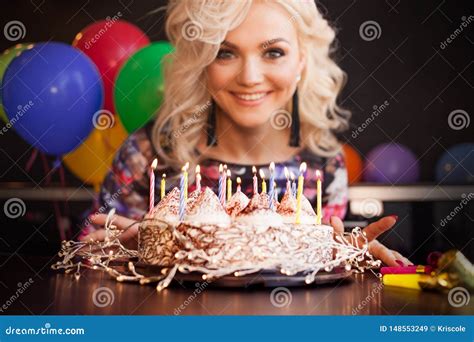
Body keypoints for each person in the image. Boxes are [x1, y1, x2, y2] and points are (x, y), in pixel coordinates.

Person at [80, 0, 412, 267]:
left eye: (273, 52)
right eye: (225, 53)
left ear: (301, 61)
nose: (250, 77)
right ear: (202, 63)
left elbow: (309, 271)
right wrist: (129, 251)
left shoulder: (323, 165)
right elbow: (84, 255)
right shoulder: (150, 152)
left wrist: (342, 253)